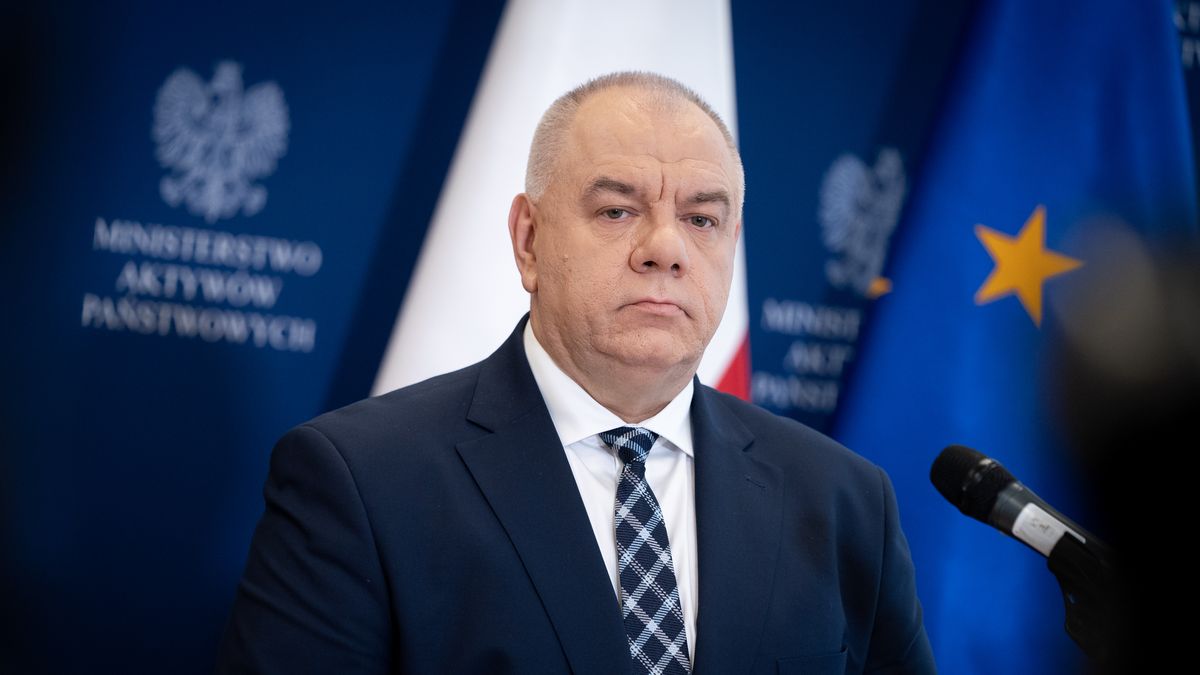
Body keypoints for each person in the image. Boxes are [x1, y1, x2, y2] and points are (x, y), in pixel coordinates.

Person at [216, 72, 936, 674]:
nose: (665, 248)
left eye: (702, 219)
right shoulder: (362, 481)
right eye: (618, 210)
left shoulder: (843, 499)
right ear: (529, 240)